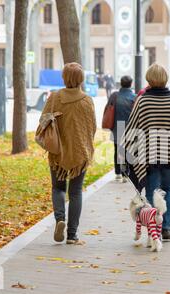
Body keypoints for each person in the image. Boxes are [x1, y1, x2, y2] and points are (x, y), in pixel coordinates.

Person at [121, 63, 170, 242]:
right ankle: (166, 228)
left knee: (153, 192)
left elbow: (131, 128)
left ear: (150, 80)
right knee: (168, 189)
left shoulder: (144, 101)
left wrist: (125, 152)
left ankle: (155, 230)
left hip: (149, 156)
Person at [40, 62, 96, 244]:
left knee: (58, 188)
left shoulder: (55, 97)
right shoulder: (87, 100)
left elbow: (43, 121)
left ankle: (60, 219)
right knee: (76, 192)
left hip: (58, 152)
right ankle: (72, 235)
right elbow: (92, 127)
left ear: (64, 77)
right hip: (80, 153)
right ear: (81, 79)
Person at [108, 75, 136, 182]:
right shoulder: (134, 97)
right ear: (131, 84)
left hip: (116, 126)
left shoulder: (114, 96)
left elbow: (109, 108)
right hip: (129, 128)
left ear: (121, 83)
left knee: (117, 150)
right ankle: (125, 174)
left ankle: (118, 173)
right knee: (127, 151)